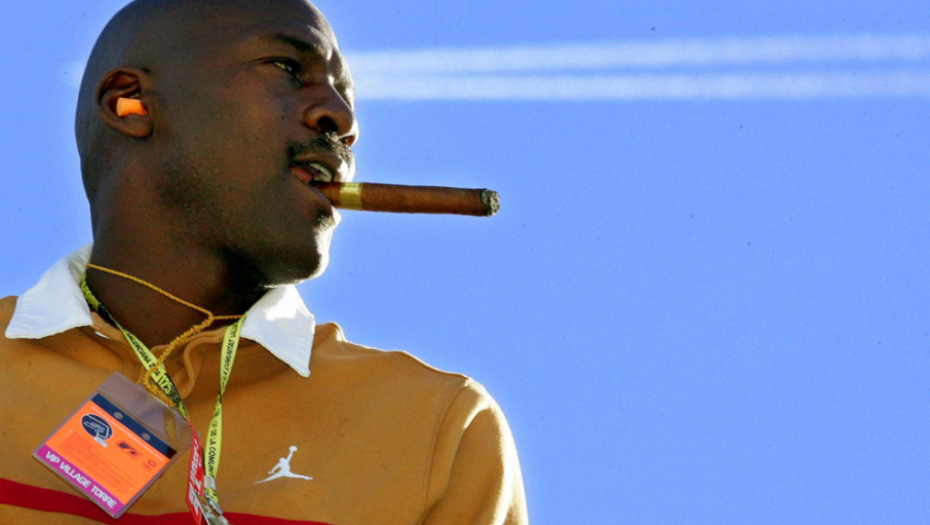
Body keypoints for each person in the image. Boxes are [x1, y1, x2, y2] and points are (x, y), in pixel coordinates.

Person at [0, 0, 528, 523]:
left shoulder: (435, 429)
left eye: (345, 95)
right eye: (287, 68)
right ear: (129, 103)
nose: (343, 120)